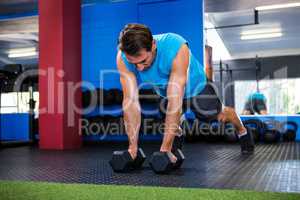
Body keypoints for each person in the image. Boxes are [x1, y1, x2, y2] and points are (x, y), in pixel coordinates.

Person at [116, 23, 254, 164]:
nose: (139, 68)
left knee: (219, 116)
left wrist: (165, 150)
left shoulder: (175, 46)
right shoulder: (123, 57)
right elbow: (130, 102)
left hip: (196, 86)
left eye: (143, 61)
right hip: (163, 90)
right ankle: (177, 136)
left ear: (153, 45)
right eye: (134, 64)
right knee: (170, 122)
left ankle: (243, 131)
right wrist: (132, 148)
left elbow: (175, 101)